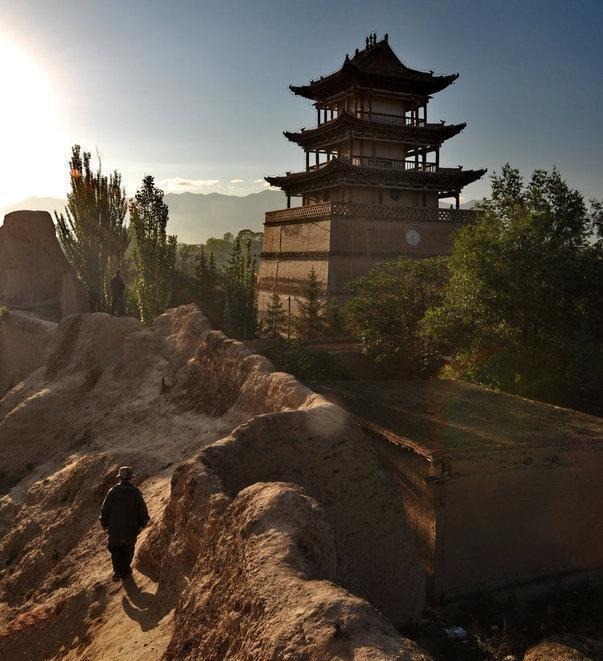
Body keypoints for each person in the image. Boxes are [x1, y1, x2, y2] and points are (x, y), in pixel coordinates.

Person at [100, 466, 149, 581]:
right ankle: (125, 570)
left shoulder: (112, 492)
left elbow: (104, 510)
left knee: (115, 549)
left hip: (114, 528)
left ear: (120, 478)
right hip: (131, 528)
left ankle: (117, 571)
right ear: (131, 478)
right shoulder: (136, 493)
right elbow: (142, 511)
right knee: (128, 548)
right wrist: (143, 523)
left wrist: (104, 523)